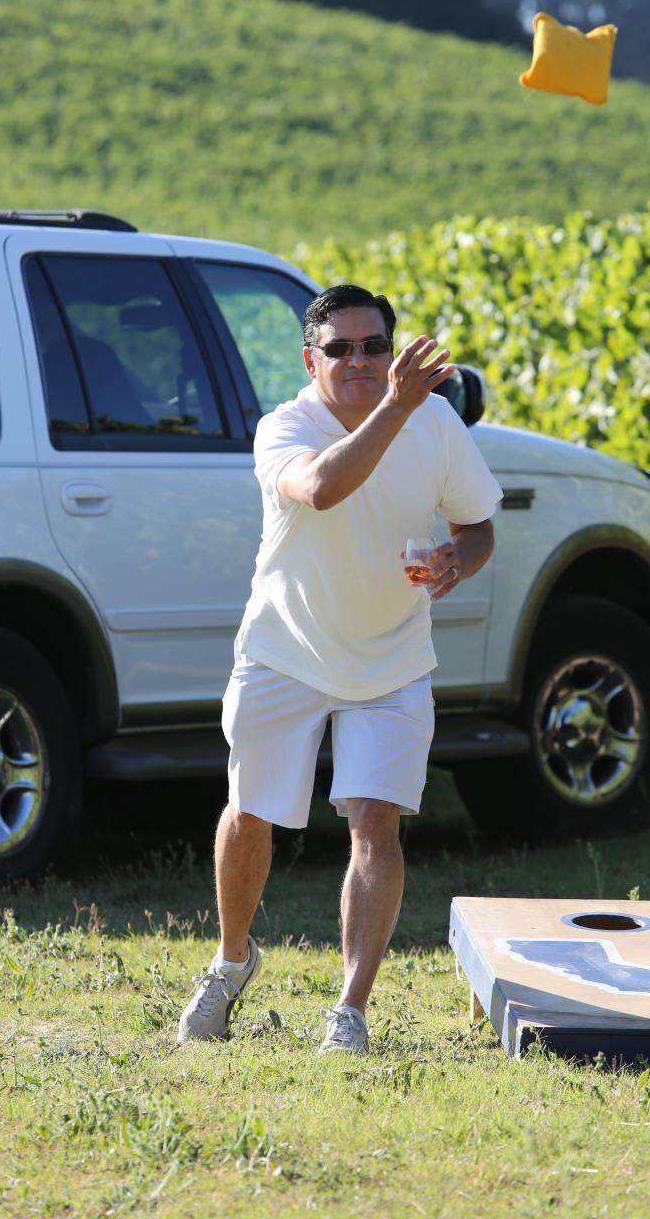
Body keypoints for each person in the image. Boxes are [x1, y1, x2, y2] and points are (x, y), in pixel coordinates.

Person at [178, 285, 503, 1053]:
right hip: (283, 649)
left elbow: (480, 524)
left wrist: (460, 559)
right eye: (341, 349)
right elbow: (322, 488)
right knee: (248, 812)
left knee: (375, 826)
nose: (361, 361)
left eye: (375, 346)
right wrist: (397, 406)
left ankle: (349, 1011)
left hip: (391, 657)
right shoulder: (284, 428)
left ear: (391, 351)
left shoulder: (435, 421)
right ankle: (231, 962)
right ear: (310, 360)